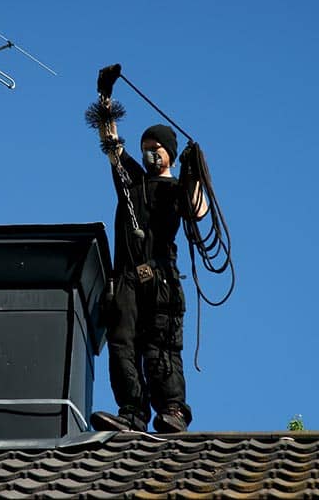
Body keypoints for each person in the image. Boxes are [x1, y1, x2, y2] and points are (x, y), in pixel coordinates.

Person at [90, 95, 208, 433]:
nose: (149, 152)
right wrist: (105, 104)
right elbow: (111, 146)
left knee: (161, 342)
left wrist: (194, 169)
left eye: (156, 147)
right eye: (145, 147)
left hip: (161, 277)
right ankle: (132, 411)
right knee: (122, 341)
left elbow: (198, 211)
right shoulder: (132, 182)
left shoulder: (177, 189)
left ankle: (173, 409)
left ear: (169, 151)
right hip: (125, 277)